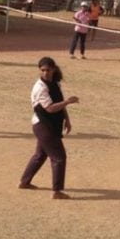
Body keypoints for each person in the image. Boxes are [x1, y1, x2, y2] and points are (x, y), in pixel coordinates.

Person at [19, 57, 79, 199]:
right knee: (59, 157)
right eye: (42, 70)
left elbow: (59, 103)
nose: (45, 73)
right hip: (44, 126)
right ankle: (57, 191)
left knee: (40, 155)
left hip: (49, 125)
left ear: (53, 69)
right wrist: (68, 102)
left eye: (48, 70)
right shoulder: (40, 87)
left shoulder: (55, 84)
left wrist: (67, 120)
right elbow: (50, 108)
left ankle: (24, 182)